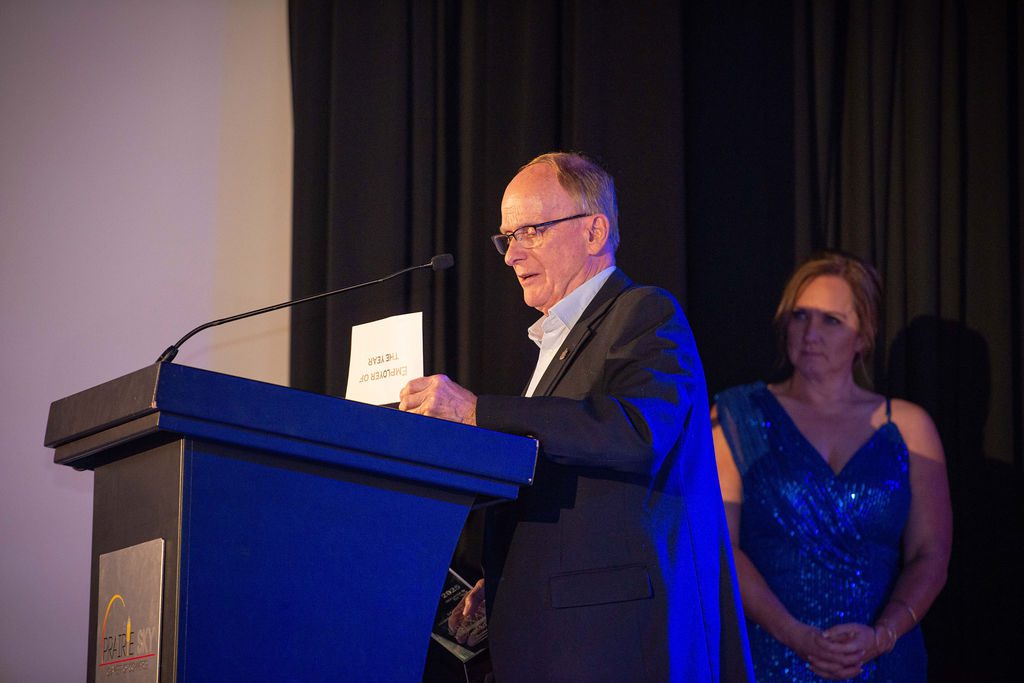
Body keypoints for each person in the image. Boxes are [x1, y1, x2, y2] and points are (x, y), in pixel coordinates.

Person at [400, 152, 752, 682]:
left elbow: (637, 431)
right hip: (549, 639)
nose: (511, 255)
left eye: (531, 231)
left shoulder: (644, 313)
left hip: (613, 643)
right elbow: (565, 489)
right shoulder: (553, 345)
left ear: (594, 231)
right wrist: (505, 579)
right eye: (506, 237)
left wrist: (476, 411)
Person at [711, 251, 953, 681]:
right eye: (800, 316)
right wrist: (795, 636)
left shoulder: (908, 426)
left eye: (831, 321)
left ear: (864, 336)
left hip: (883, 661)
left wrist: (883, 635)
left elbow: (930, 553)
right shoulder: (736, 416)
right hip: (772, 658)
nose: (810, 334)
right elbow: (721, 546)